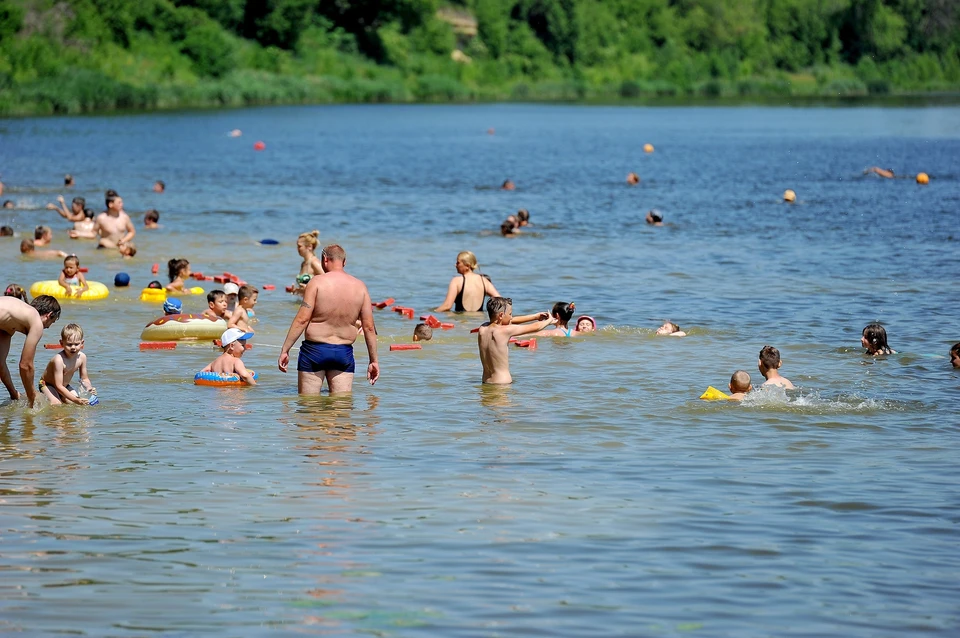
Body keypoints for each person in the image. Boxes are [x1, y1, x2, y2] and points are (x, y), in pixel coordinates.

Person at [278, 244, 379, 394]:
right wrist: (374, 361)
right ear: (344, 262)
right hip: (343, 353)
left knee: (309, 406)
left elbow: (302, 320)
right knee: (341, 409)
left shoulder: (317, 282)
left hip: (314, 351)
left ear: (325, 259)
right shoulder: (360, 287)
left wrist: (285, 350)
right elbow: (369, 327)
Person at [0, 295, 61, 407]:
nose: (48, 327)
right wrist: (31, 395)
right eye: (51, 322)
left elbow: (0, 363)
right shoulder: (36, 321)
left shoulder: (8, 325)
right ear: (49, 315)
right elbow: (25, 365)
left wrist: (14, 394)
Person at [478, 297, 555, 384]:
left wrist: (535, 316)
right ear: (500, 315)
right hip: (502, 383)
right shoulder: (505, 330)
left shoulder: (482, 328)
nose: (511, 317)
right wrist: (549, 320)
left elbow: (509, 320)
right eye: (510, 314)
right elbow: (536, 327)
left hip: (486, 381)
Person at [39, 323, 96, 405]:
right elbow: (58, 386)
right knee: (56, 404)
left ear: (82, 343)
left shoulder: (82, 357)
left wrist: (89, 387)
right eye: (69, 344)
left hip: (64, 385)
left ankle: (62, 400)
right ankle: (37, 397)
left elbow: (84, 378)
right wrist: (75, 400)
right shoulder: (58, 360)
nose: (73, 347)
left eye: (76, 344)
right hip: (47, 384)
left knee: (77, 403)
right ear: (62, 343)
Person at [435, 251, 501, 313]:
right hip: (478, 321)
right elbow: (500, 301)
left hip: (461, 322)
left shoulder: (456, 281)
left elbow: (447, 306)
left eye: (458, 263)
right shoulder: (484, 280)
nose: (455, 265)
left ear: (467, 266)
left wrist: (433, 313)